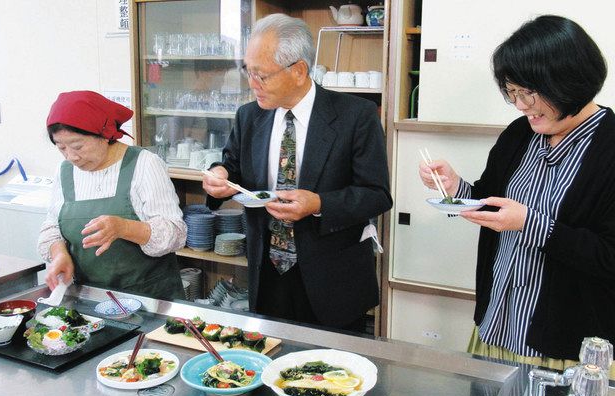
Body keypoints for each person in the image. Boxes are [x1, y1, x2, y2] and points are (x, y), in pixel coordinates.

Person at [419, 15, 615, 374]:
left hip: (565, 346)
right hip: (498, 323)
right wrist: (456, 188)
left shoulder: (608, 147)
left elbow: (607, 256)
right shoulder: (519, 134)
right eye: (513, 93)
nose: (521, 105)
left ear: (570, 80)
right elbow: (492, 200)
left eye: (529, 92)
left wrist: (529, 223)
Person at [203, 14, 392, 332]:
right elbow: (231, 165)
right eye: (249, 71)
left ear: (299, 71)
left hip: (333, 278)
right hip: (268, 272)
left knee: (331, 375)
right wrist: (218, 175)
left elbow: (376, 194)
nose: (252, 84)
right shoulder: (250, 116)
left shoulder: (356, 117)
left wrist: (318, 204)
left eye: (262, 75)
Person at [37, 90, 186, 300]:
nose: (71, 156)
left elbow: (175, 234)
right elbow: (52, 227)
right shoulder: (65, 172)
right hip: (89, 299)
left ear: (105, 135)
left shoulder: (144, 164)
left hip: (149, 299)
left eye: (78, 146)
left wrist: (123, 227)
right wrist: (59, 254)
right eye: (61, 147)